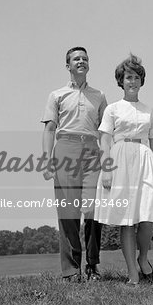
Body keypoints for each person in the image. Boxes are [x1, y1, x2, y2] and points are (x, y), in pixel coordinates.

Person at [94, 54, 153, 286]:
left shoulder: (149, 110)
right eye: (128, 77)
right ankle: (132, 274)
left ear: (141, 80)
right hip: (119, 160)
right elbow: (105, 141)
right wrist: (106, 170)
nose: (132, 81)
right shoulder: (113, 109)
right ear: (121, 81)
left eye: (136, 77)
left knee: (147, 217)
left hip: (144, 160)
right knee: (126, 220)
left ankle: (143, 258)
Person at [41, 46, 107, 282]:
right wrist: (47, 159)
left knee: (93, 209)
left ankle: (92, 264)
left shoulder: (99, 96)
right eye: (76, 59)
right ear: (67, 66)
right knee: (67, 212)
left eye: (85, 58)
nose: (81, 61)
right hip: (65, 149)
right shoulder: (56, 95)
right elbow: (49, 129)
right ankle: (71, 269)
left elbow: (105, 132)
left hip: (91, 150)